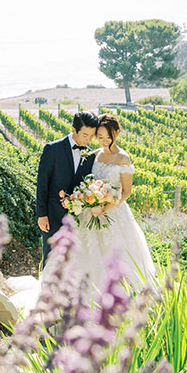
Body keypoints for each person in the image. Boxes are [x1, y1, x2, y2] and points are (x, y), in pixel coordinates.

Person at [72, 113, 157, 292]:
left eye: (108, 137)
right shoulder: (94, 154)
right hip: (92, 211)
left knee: (117, 253)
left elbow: (126, 192)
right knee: (90, 251)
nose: (103, 141)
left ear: (117, 133)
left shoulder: (122, 158)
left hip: (114, 212)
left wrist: (106, 206)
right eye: (100, 137)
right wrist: (89, 200)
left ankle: (121, 292)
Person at [36, 110, 99, 267]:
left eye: (92, 136)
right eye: (85, 135)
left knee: (72, 264)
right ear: (73, 129)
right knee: (51, 260)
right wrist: (41, 214)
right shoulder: (52, 149)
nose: (89, 139)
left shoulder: (90, 156)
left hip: (78, 219)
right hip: (52, 216)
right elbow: (42, 184)